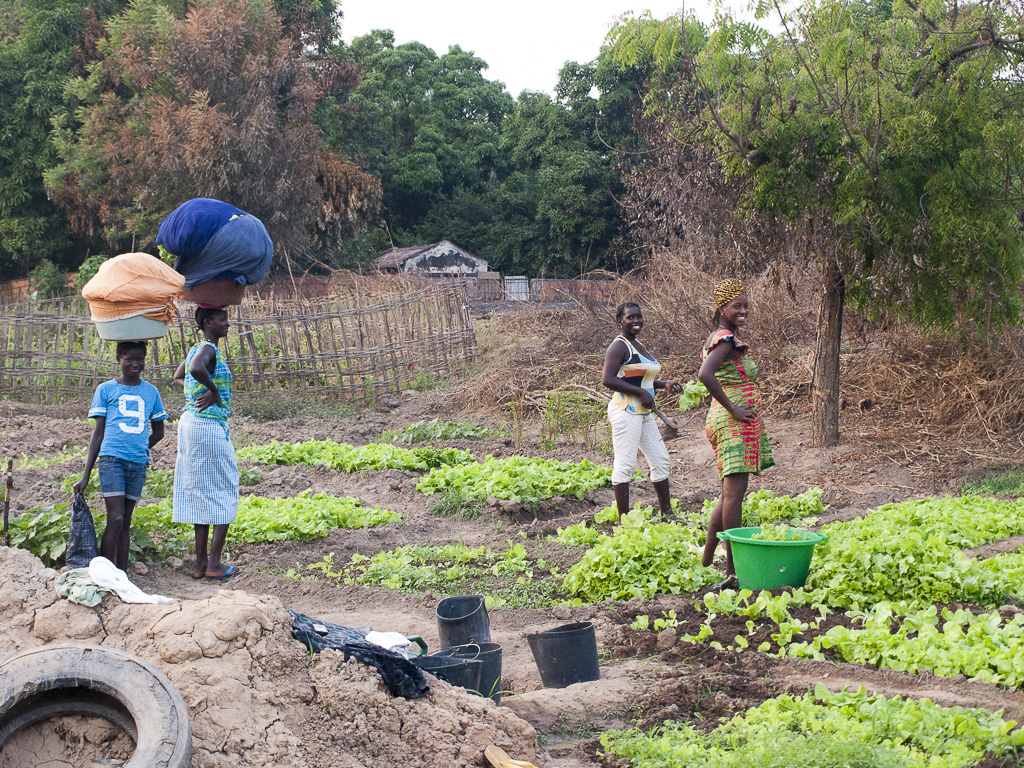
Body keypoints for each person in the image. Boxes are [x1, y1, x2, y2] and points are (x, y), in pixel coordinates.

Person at [698, 279, 774, 587]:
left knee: (729, 495)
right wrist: (733, 409)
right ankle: (732, 572)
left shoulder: (719, 336)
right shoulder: (726, 339)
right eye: (736, 306)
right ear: (722, 308)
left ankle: (706, 560)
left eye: (745, 305)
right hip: (732, 422)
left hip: (729, 420)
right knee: (734, 496)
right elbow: (705, 374)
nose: (742, 310)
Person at [74, 341, 168, 571]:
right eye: (129, 359)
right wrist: (85, 475)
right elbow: (98, 433)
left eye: (140, 359)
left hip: (138, 463)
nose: (135, 364)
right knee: (115, 519)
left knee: (125, 522)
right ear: (119, 359)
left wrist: (139, 447)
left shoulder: (151, 392)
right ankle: (106, 574)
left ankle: (122, 575)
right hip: (111, 460)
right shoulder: (106, 390)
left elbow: (159, 431)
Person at [172, 307, 239, 580]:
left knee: (200, 489)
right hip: (207, 427)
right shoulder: (207, 349)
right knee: (225, 486)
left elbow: (179, 376)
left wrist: (197, 392)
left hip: (190, 423)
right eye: (223, 319)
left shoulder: (196, 348)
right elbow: (195, 369)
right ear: (208, 322)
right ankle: (214, 564)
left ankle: (199, 565)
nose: (228, 324)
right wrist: (213, 391)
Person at [602, 302, 682, 518]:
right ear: (620, 321)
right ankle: (624, 522)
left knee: (661, 461)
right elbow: (608, 379)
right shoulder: (619, 346)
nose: (636, 321)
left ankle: (667, 514)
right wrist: (640, 393)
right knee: (625, 464)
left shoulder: (636, 343)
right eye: (630, 317)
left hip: (643, 413)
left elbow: (640, 378)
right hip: (625, 411)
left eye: (639, 316)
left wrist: (663, 383)